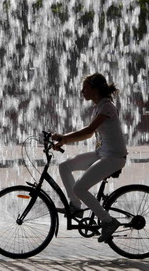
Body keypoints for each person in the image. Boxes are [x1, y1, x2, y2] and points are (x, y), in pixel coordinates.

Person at [52, 73, 127, 243]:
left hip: (114, 157)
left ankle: (109, 221)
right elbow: (89, 134)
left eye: (85, 88)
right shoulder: (99, 106)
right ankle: (76, 207)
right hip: (102, 154)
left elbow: (88, 130)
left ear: (95, 90)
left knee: (79, 188)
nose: (81, 91)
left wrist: (64, 137)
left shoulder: (107, 106)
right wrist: (64, 140)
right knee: (64, 166)